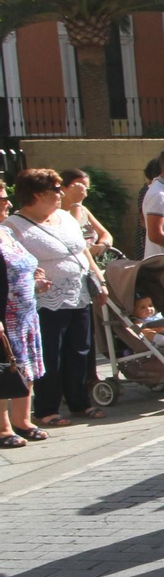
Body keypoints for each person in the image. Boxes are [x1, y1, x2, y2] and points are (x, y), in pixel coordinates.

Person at [3, 169, 108, 426]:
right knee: (51, 353)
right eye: (56, 190)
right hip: (44, 300)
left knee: (80, 350)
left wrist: (100, 281)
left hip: (78, 293)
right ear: (38, 195)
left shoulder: (64, 216)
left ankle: (79, 401)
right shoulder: (12, 226)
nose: (61, 194)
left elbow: (83, 251)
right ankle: (46, 407)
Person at [0, 187, 48, 447]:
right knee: (5, 368)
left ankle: (22, 420)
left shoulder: (5, 231)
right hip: (4, 315)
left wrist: (35, 280)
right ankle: (2, 428)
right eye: (1, 197)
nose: (8, 202)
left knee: (25, 366)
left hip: (25, 313)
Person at [60, 169, 114, 262]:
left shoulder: (83, 210)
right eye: (78, 187)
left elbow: (105, 234)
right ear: (62, 188)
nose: (82, 191)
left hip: (93, 262)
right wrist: (76, 203)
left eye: (85, 188)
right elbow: (73, 233)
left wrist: (102, 245)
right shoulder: (57, 213)